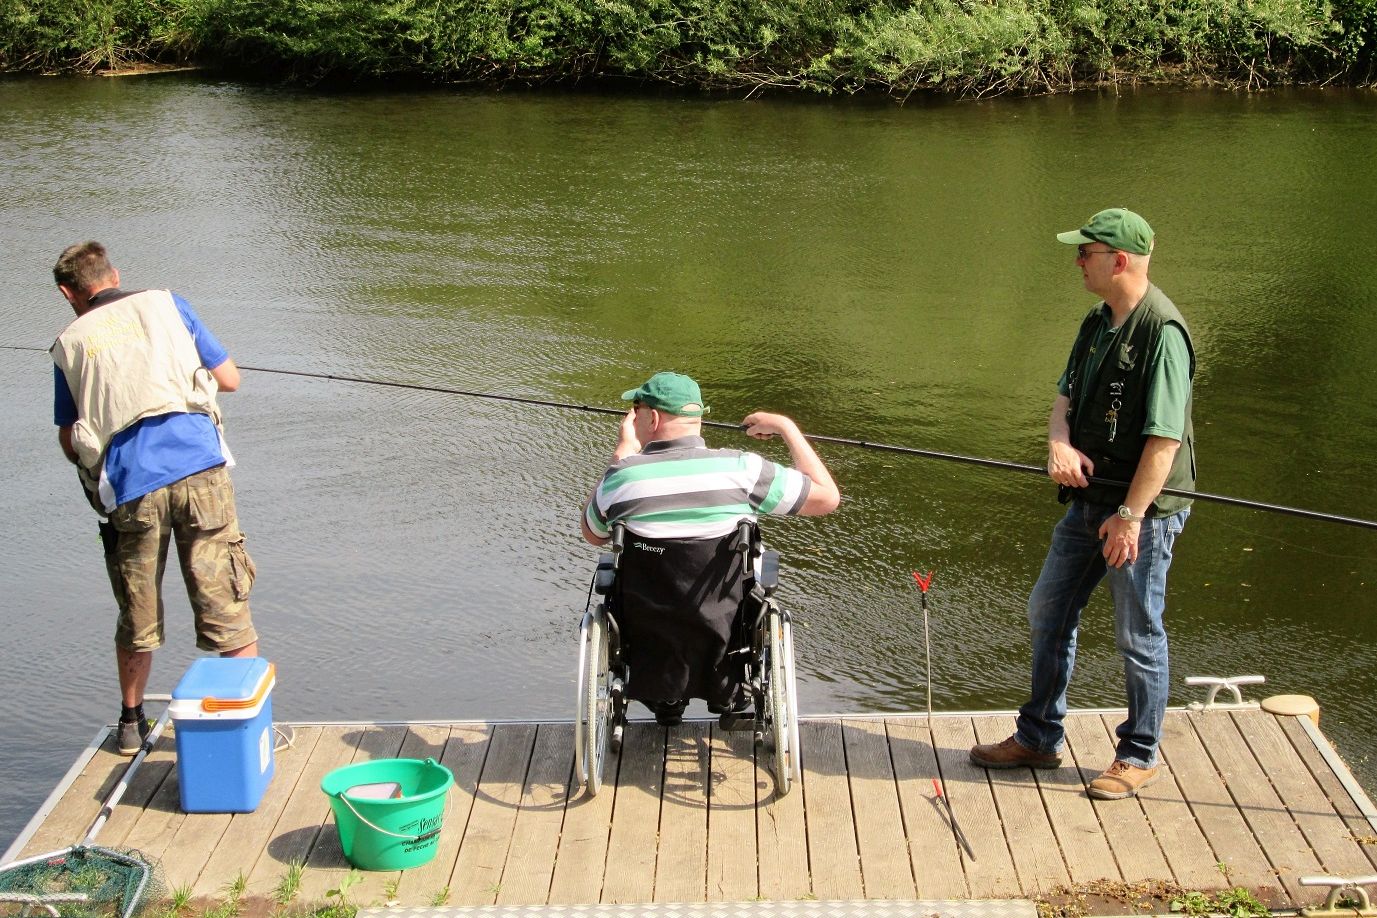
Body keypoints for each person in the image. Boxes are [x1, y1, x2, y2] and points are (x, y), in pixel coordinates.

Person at [969, 209, 1196, 800]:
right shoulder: (1096, 321)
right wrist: (1058, 444)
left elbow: (1164, 441)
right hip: (1087, 503)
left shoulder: (1162, 333)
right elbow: (1064, 398)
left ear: (1118, 261)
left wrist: (1131, 516)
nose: (1076, 261)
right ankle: (1039, 737)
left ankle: (1139, 753)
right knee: (1048, 610)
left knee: (1136, 633)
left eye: (1085, 253)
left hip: (1140, 514)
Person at [50, 242, 260, 756]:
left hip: (131, 488)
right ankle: (251, 725)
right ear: (114, 273)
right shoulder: (169, 303)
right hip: (200, 473)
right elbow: (229, 379)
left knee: (137, 607)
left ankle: (129, 723)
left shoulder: (69, 343)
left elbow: (69, 438)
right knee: (226, 603)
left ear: (67, 293)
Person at [582, 372, 840, 725]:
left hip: (650, 628)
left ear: (652, 418)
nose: (630, 417)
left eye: (635, 409)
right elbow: (827, 498)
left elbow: (592, 533)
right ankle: (726, 688)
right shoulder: (743, 469)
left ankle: (667, 695)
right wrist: (785, 427)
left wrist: (622, 455)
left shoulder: (624, 478)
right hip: (725, 625)